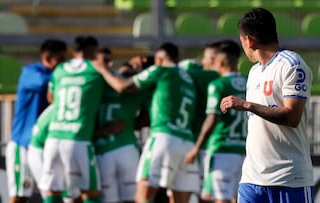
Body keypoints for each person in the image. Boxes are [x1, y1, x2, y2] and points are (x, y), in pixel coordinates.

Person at [220, 8, 314, 203]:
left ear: (249, 40)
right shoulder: (254, 72)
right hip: (252, 179)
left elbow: (292, 117)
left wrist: (247, 105)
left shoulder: (292, 64)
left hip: (289, 178)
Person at [97, 42, 200, 203]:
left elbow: (121, 86)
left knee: (143, 196)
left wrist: (101, 68)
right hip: (187, 142)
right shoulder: (188, 80)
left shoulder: (160, 70)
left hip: (164, 137)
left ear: (160, 59)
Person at [39, 36, 104, 203]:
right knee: (90, 192)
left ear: (74, 52)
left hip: (53, 139)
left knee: (53, 191)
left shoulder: (60, 69)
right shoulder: (95, 68)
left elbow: (51, 98)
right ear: (93, 52)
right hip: (78, 139)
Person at [185, 40, 247, 203]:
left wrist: (197, 148)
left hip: (221, 149)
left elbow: (212, 118)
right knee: (237, 198)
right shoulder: (250, 82)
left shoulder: (218, 85)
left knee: (221, 199)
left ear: (219, 62)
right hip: (243, 149)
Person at [6, 39, 67, 203]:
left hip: (44, 146)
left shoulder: (58, 77)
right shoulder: (30, 72)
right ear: (47, 57)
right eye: (61, 59)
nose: (63, 64)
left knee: (52, 192)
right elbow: (43, 83)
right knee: (19, 195)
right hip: (23, 145)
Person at [94, 59, 152, 203]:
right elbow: (147, 117)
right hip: (126, 148)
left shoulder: (100, 86)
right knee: (132, 198)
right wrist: (132, 124)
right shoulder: (136, 91)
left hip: (102, 149)